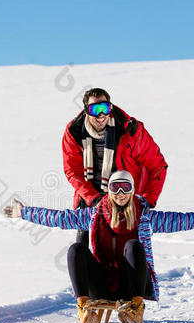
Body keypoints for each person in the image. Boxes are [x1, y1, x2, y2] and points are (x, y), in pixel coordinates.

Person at [3, 170, 194, 323]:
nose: (120, 194)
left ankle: (135, 309)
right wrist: (23, 212)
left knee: (133, 245)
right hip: (102, 283)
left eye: (125, 188)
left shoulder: (145, 216)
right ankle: (86, 307)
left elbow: (183, 220)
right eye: (115, 188)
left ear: (132, 190)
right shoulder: (94, 214)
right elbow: (59, 218)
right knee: (76, 249)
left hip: (132, 284)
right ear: (108, 190)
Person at [62, 88, 168, 247]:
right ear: (86, 111)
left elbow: (157, 165)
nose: (100, 115)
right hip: (90, 198)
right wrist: (93, 198)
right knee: (81, 247)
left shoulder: (130, 130)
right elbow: (73, 171)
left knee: (130, 247)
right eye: (94, 109)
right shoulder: (74, 132)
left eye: (104, 108)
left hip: (124, 197)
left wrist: (147, 200)